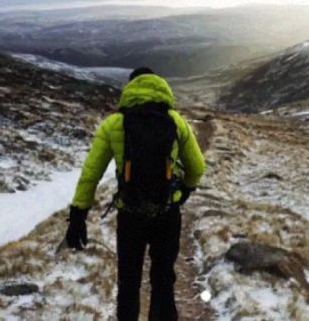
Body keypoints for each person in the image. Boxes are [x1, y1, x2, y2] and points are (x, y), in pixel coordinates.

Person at [65, 67, 206, 321]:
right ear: (160, 86)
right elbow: (197, 167)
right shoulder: (176, 121)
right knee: (163, 281)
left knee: (129, 282)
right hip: (167, 214)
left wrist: (78, 215)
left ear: (129, 89)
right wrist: (185, 190)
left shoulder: (113, 124)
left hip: (130, 216)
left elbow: (90, 174)